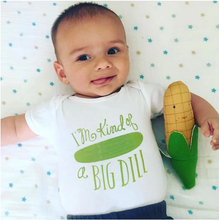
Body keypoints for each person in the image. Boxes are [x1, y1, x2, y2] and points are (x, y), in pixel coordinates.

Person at [1, 2, 219, 219]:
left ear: (127, 52)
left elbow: (182, 99)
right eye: (84, 57)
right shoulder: (57, 111)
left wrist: (209, 115)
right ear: (62, 72)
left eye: (113, 51)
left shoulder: (139, 94)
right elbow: (14, 128)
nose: (103, 63)